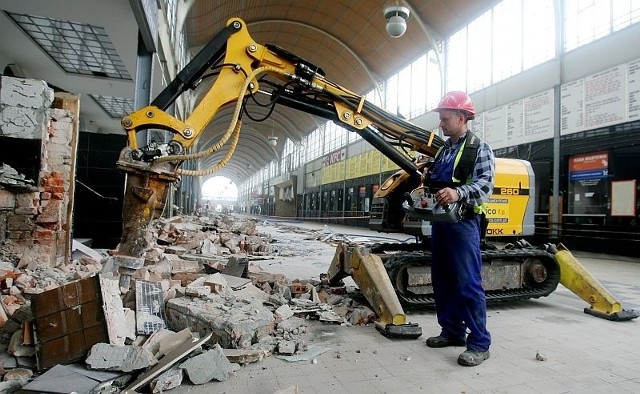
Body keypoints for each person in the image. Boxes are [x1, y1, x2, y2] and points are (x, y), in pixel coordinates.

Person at [424, 91, 495, 367]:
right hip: (442, 224)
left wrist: (459, 193)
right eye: (441, 119)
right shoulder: (444, 151)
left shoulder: (479, 149)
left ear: (462, 118)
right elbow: (440, 184)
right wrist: (428, 178)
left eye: (445, 119)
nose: (441, 124)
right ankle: (452, 331)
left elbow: (485, 185)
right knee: (443, 278)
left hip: (464, 223)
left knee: (467, 281)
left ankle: (479, 343)